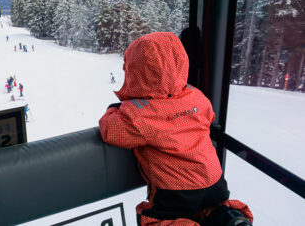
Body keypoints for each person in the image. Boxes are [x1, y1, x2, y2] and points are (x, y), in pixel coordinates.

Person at [99, 32, 252, 226]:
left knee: (158, 222)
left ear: (134, 72)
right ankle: (227, 218)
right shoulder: (197, 96)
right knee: (212, 209)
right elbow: (208, 116)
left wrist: (114, 109)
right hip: (215, 181)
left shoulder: (138, 114)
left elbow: (110, 131)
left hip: (178, 193)